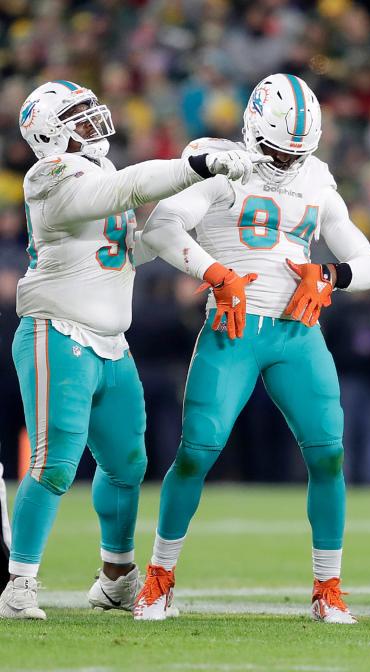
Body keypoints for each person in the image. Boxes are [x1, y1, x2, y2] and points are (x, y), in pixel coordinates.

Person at [0, 79, 264, 620]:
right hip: (57, 332)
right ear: (49, 134)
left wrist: (198, 255)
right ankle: (19, 584)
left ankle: (116, 577)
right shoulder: (48, 176)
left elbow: (125, 249)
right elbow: (129, 188)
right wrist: (195, 164)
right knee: (53, 464)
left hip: (110, 342)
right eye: (76, 116)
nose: (91, 121)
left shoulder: (97, 177)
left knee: (127, 463)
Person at [132, 74, 370, 624]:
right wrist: (213, 270)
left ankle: (328, 588)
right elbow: (162, 226)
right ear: (252, 132)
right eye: (275, 150)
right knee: (197, 452)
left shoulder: (316, 176)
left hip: (297, 332)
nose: (285, 162)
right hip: (234, 328)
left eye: (296, 152)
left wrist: (331, 275)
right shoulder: (223, 164)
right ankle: (159, 577)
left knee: (330, 455)